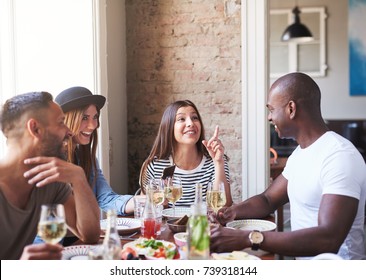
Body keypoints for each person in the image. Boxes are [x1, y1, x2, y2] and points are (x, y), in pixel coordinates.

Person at [210, 72, 366, 260]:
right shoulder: (300, 154)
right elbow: (268, 200)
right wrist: (231, 212)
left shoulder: (340, 156)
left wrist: (249, 238)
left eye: (271, 109)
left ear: (291, 108)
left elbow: (328, 239)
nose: (269, 117)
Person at [0, 91, 100, 260]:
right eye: (61, 123)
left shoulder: (50, 181)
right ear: (35, 129)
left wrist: (79, 179)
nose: (69, 131)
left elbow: (90, 235)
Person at [55, 86, 134, 216]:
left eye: (95, 117)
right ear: (66, 120)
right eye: (84, 118)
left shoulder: (87, 158)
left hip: (81, 234)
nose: (93, 125)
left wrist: (143, 201)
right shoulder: (51, 161)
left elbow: (106, 198)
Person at [139, 99, 233, 207]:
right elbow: (144, 210)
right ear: (169, 127)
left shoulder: (216, 162)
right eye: (181, 119)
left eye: (194, 118)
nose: (190, 123)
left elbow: (224, 207)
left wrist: (218, 163)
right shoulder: (155, 166)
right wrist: (158, 204)